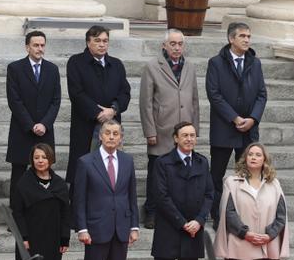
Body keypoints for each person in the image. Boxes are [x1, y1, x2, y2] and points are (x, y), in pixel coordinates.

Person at [72, 120, 139, 260]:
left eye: (116, 133)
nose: (111, 137)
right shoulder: (86, 162)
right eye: (108, 133)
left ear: (121, 138)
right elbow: (79, 199)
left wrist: (134, 226)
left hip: (121, 227)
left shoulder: (128, 161)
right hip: (95, 228)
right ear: (100, 136)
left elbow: (131, 195)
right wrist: (82, 228)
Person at [147, 122, 214, 260]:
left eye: (192, 135)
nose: (189, 139)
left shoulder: (202, 162)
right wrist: (182, 222)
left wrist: (199, 220)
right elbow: (161, 196)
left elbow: (209, 194)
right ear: (175, 138)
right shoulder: (163, 163)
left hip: (193, 231)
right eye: (184, 135)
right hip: (169, 230)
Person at [206, 22, 267, 223]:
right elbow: (214, 95)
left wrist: (252, 119)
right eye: (242, 36)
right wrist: (235, 117)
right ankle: (216, 215)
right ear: (231, 39)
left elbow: (261, 94)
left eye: (249, 36)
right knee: (217, 176)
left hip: (248, 132)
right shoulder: (216, 63)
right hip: (224, 128)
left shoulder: (255, 63)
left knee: (246, 175)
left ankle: (244, 215)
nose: (247, 40)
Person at [139, 29, 199, 229]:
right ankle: (152, 210)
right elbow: (145, 101)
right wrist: (150, 131)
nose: (177, 47)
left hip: (184, 129)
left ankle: (177, 211)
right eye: (172, 43)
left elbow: (194, 100)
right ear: (164, 45)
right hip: (162, 129)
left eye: (180, 43)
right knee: (157, 173)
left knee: (182, 173)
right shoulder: (152, 67)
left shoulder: (189, 67)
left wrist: (194, 129)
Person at [10, 143, 70, 260]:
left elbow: (65, 213)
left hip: (51, 238)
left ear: (50, 159)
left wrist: (64, 239)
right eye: (37, 157)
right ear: (32, 160)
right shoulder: (24, 183)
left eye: (44, 157)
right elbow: (17, 213)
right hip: (29, 238)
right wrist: (23, 238)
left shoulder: (59, 184)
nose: (40, 161)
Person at [66, 26, 130, 183]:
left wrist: (113, 110)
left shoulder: (116, 64)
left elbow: (125, 92)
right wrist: (98, 113)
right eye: (97, 41)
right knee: (83, 170)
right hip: (86, 125)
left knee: (109, 171)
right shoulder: (76, 62)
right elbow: (76, 93)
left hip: (111, 125)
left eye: (105, 41)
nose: (102, 44)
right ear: (88, 43)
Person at [5, 30, 61, 187]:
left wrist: (44, 124)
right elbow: (14, 100)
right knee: (19, 170)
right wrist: (30, 125)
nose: (40, 48)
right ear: (27, 47)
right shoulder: (15, 68)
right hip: (22, 129)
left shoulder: (52, 69)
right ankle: (17, 208)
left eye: (42, 45)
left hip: (45, 129)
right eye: (36, 45)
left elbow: (56, 101)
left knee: (43, 170)